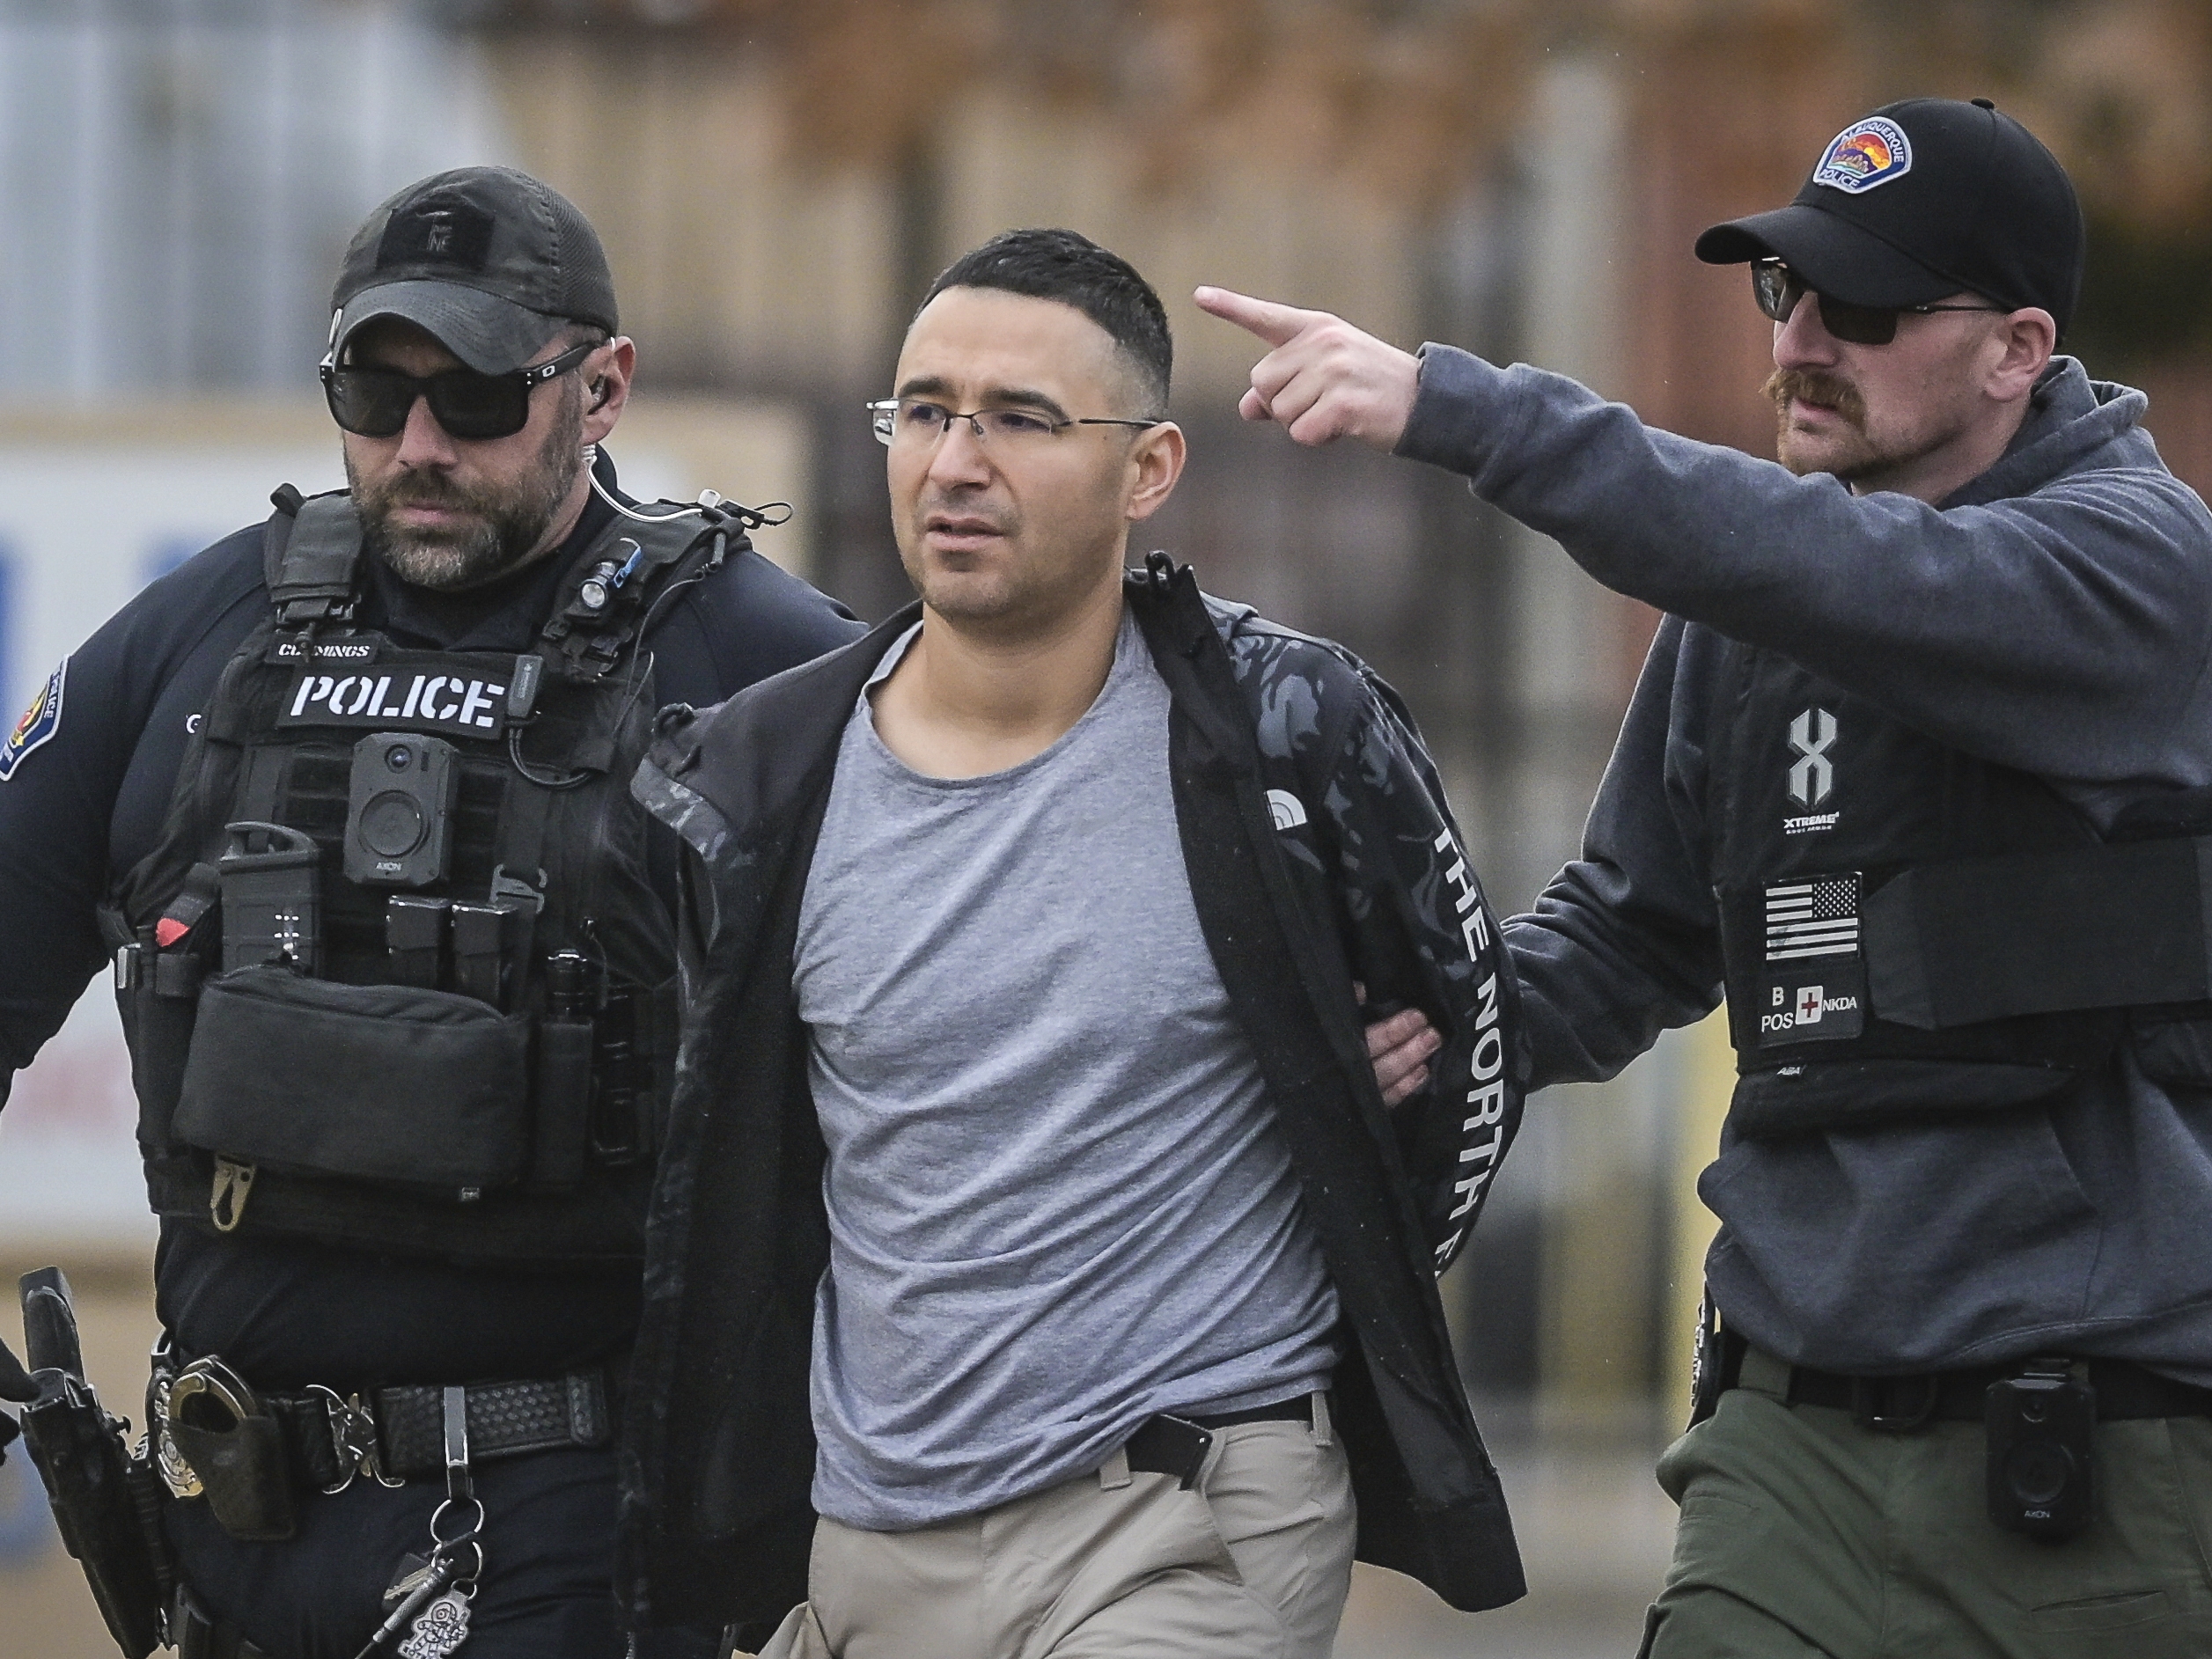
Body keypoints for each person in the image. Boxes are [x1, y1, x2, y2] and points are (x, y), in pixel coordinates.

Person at [1201, 95, 2212, 1657]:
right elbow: (1630, 931)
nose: (1800, 339)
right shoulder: (1748, 596)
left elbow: (1873, 586)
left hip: (2100, 1450)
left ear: (2017, 349)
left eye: (1861, 307)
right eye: (1778, 290)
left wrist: (1465, 411)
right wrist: (1451, 1018)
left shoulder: (2133, 565)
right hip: (1784, 1437)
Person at [612, 228, 1528, 1658]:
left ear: (1148, 469)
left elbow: (1464, 1049)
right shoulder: (754, 775)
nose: (954, 460)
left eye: (1021, 419)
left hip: (1183, 1525)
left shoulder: (1290, 734)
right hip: (861, 1545)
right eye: (923, 410)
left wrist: (1344, 1205)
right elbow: (729, 1163)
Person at [0, 165, 863, 1659]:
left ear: (601, 389)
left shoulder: (759, 664)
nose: (414, 445)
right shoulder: (200, 637)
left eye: (472, 397)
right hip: (231, 1522)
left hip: (568, 1530)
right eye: (370, 390)